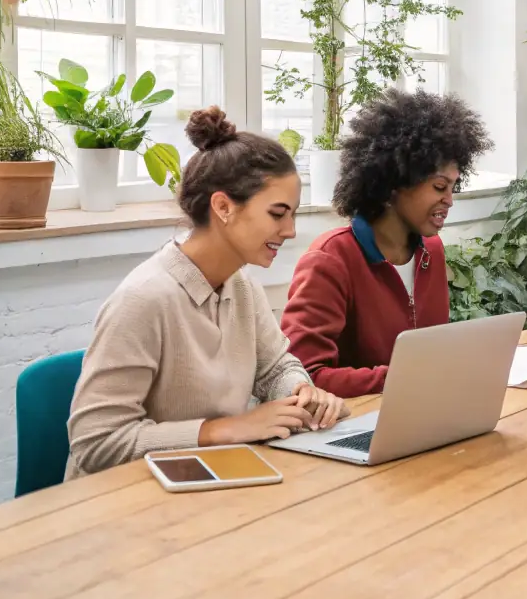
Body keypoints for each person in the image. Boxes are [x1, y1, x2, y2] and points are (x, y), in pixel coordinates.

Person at [67, 108, 346, 479]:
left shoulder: (241, 284)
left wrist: (300, 392)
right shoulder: (144, 299)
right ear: (223, 207)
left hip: (206, 481)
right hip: (123, 499)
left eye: (292, 214)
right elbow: (94, 442)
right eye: (277, 214)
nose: (290, 230)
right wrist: (220, 431)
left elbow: (276, 367)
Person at [280, 90, 492, 397]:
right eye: (439, 186)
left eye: (453, 188)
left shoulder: (431, 251)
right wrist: (401, 378)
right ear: (392, 185)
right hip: (353, 420)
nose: (449, 200)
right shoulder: (330, 259)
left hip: (420, 410)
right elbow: (303, 379)